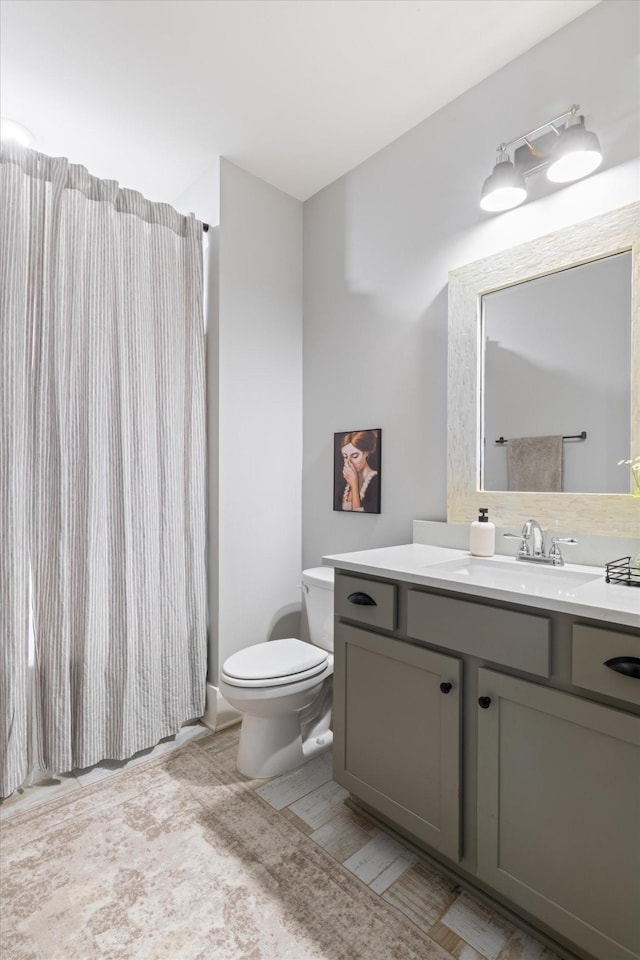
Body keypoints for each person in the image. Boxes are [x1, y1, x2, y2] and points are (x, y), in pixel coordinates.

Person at [339, 430, 379, 512]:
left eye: (355, 456)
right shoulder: (345, 482)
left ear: (366, 453)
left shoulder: (375, 481)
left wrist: (354, 485)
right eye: (345, 457)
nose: (348, 463)